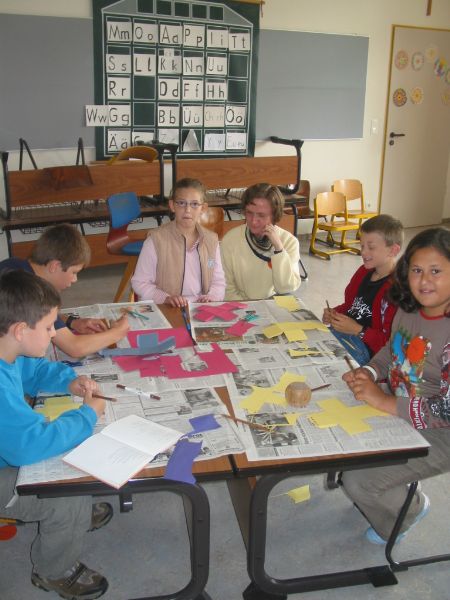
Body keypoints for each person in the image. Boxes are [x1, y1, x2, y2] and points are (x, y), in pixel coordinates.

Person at [0, 270, 111, 599]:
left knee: (70, 464)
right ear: (20, 330)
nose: (53, 335)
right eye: (49, 327)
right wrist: (87, 415)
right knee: (64, 492)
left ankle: (75, 516)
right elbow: (29, 445)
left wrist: (68, 381)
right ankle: (53, 571)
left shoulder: (9, 350)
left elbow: (34, 372)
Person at [341, 227, 450, 545]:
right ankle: (395, 490)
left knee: (358, 481)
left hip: (441, 431)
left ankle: (410, 510)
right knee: (339, 423)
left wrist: (384, 402)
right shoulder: (408, 307)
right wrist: (369, 372)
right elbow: (393, 348)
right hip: (402, 401)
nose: (424, 281)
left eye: (436, 271)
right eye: (416, 270)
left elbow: (446, 410)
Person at [0, 223, 129, 358]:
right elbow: (74, 347)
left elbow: (34, 314)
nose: (75, 279)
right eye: (74, 272)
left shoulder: (13, 265)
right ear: (55, 266)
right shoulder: (33, 291)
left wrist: (72, 322)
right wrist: (117, 332)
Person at [322, 214, 403, 365]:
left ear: (393, 250)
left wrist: (359, 330)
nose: (363, 252)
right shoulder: (363, 272)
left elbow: (390, 345)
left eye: (371, 247)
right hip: (346, 334)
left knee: (323, 357)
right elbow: (351, 306)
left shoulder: (397, 290)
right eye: (362, 246)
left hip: (367, 350)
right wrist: (334, 313)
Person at [131, 177, 225, 307]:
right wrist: (165, 298)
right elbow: (140, 282)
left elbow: (218, 281)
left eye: (194, 204)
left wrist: (212, 297)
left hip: (201, 307)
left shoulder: (211, 240)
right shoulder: (156, 240)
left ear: (203, 208)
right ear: (172, 205)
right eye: (181, 203)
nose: (187, 210)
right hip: (166, 306)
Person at [220, 183, 301, 300]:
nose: (253, 221)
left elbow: (286, 288)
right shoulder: (230, 240)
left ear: (274, 216)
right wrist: (249, 309)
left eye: (261, 215)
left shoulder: (289, 242)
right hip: (241, 304)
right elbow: (227, 289)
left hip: (273, 302)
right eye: (249, 213)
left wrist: (279, 249)